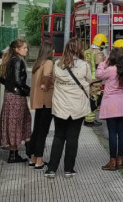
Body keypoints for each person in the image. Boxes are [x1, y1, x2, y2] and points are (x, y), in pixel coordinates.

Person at [44, 38, 92, 179]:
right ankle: (68, 169)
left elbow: (52, 79)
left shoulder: (57, 64)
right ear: (79, 49)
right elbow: (89, 80)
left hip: (61, 106)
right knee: (72, 138)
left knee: (59, 136)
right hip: (78, 106)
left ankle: (51, 169)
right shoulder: (84, 65)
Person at [97, 47, 123, 170]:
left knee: (112, 132)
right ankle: (120, 159)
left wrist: (104, 62)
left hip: (111, 104)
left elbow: (98, 75)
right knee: (122, 132)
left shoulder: (111, 70)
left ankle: (112, 161)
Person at [0, 39, 32, 163]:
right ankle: (25, 151)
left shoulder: (9, 60)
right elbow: (18, 81)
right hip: (16, 96)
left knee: (14, 124)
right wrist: (30, 91)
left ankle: (14, 154)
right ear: (17, 49)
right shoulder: (17, 61)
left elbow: (3, 79)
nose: (26, 50)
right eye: (24, 48)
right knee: (22, 122)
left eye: (26, 48)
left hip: (10, 96)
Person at [27, 42, 54, 169]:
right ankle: (39, 160)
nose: (54, 52)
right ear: (49, 51)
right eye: (53, 50)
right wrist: (48, 85)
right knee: (43, 131)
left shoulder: (37, 63)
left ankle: (33, 157)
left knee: (37, 130)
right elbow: (47, 77)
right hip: (46, 102)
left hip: (37, 101)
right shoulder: (48, 63)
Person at [83, 34, 107, 127]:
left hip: (87, 79)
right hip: (95, 80)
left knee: (88, 99)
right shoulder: (98, 53)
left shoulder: (87, 51)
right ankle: (90, 120)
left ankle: (87, 118)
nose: (104, 46)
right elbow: (99, 67)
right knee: (94, 100)